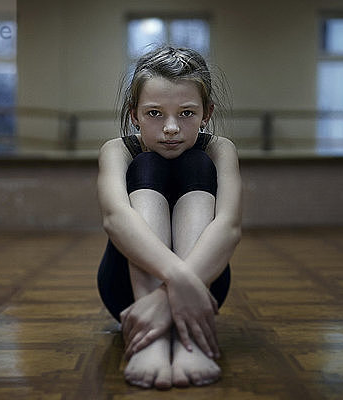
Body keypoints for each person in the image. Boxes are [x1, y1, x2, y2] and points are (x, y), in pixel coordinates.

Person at [97, 46, 242, 390]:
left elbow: (229, 227)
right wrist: (178, 280)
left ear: (207, 113)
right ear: (134, 115)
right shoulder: (116, 150)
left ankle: (186, 336)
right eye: (155, 114)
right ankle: (152, 341)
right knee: (146, 164)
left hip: (202, 285)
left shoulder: (220, 149)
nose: (172, 128)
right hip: (129, 294)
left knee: (197, 164)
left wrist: (176, 290)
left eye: (187, 113)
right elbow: (116, 219)